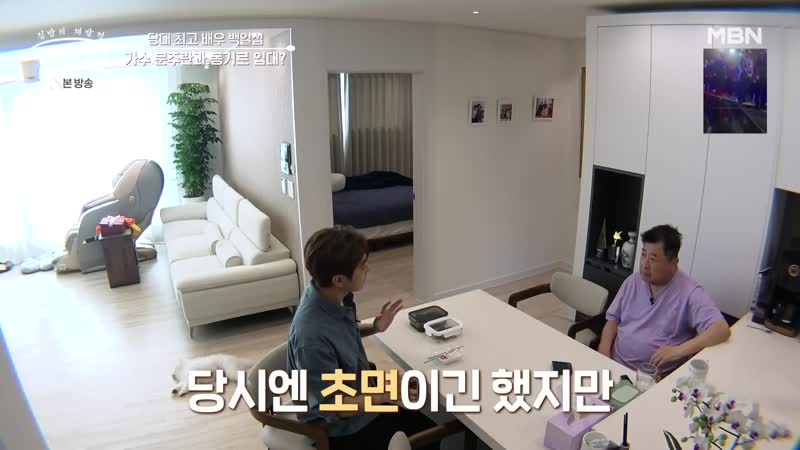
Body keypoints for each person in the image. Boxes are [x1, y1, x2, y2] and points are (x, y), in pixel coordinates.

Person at [287, 226, 439, 450]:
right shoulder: (311, 338)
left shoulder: (326, 294)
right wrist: (383, 394)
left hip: (357, 387)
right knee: (426, 436)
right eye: (362, 266)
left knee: (427, 412)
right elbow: (335, 406)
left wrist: (374, 327)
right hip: (339, 427)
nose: (368, 269)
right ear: (339, 279)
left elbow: (339, 333)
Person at [597, 225, 731, 376]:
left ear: (673, 262)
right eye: (643, 254)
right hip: (614, 365)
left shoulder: (690, 292)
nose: (645, 264)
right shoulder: (633, 281)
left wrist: (677, 351)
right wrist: (603, 353)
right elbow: (613, 320)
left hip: (652, 379)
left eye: (653, 259)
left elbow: (721, 329)